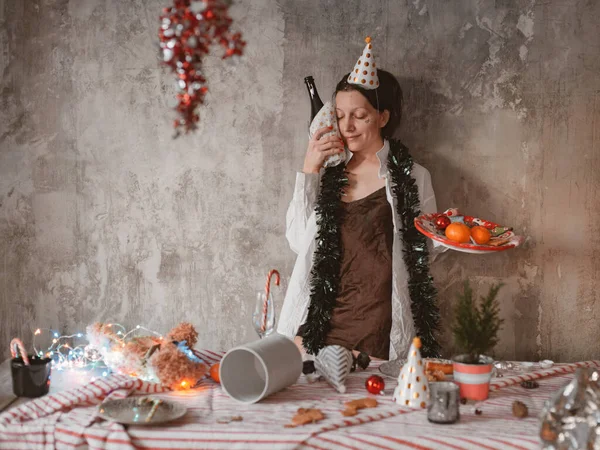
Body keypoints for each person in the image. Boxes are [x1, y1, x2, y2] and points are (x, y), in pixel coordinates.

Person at [277, 38, 440, 361]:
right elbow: (298, 242)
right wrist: (309, 170)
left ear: (382, 117)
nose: (346, 127)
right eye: (339, 116)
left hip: (375, 329)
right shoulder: (330, 176)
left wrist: (446, 230)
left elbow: (424, 255)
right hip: (320, 323)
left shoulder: (411, 177)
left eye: (359, 116)